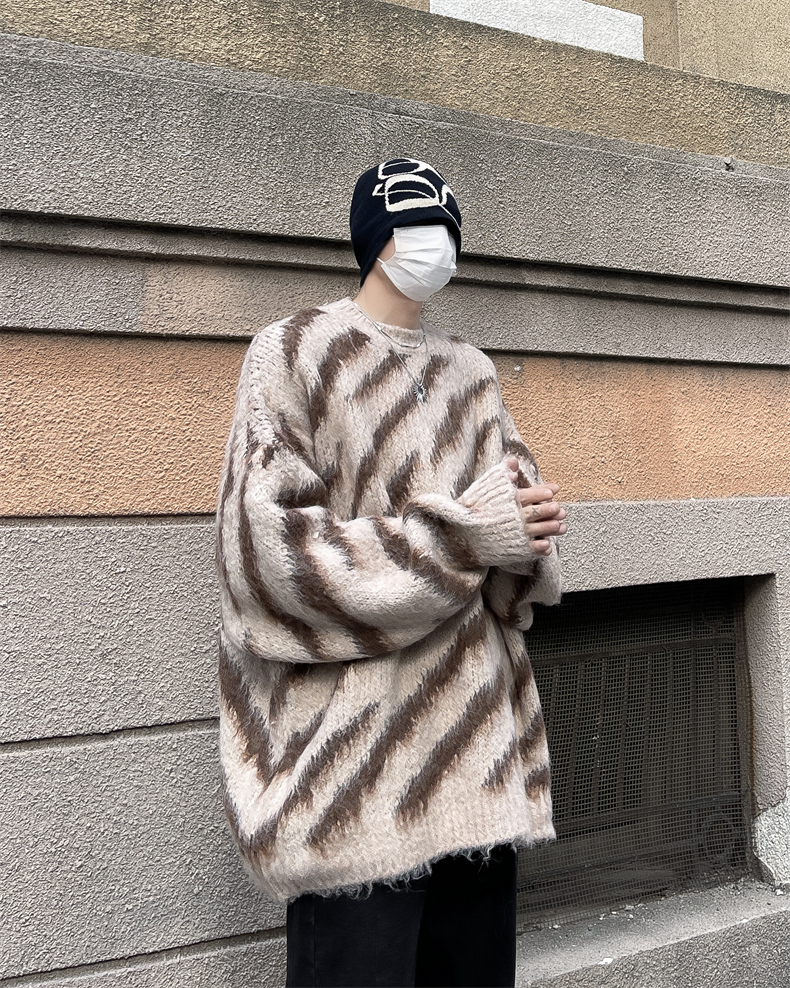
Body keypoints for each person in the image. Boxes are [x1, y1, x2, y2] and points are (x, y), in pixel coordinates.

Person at [214, 157, 567, 987]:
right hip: (351, 784)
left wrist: (529, 538)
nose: (439, 240)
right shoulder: (295, 352)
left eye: (449, 224)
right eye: (419, 221)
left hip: (478, 770)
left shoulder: (471, 374)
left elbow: (516, 558)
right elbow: (264, 558)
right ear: (375, 237)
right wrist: (462, 541)